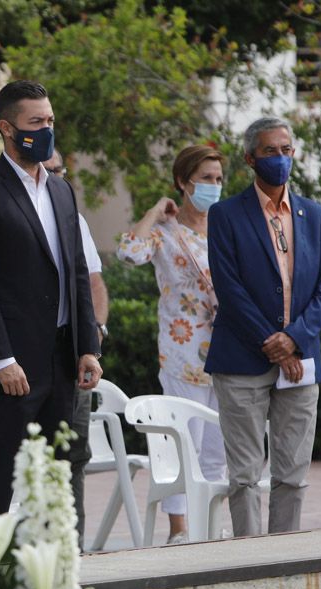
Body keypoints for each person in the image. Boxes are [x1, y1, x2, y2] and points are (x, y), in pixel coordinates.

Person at [0, 80, 101, 562]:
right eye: (36, 123)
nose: (46, 130)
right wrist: (1, 359)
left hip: (62, 360)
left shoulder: (61, 191)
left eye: (50, 121)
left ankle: (55, 576)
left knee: (58, 478)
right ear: (7, 127)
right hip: (11, 366)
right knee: (0, 481)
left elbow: (76, 271)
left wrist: (88, 346)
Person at [206, 117, 321, 537]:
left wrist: (295, 339)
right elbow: (229, 288)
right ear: (249, 158)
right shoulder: (225, 215)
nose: (279, 159)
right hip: (242, 359)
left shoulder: (315, 216)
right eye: (269, 151)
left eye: (285, 150)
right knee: (244, 477)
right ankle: (249, 565)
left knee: (293, 475)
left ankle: (285, 563)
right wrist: (273, 344)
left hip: (301, 361)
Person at [116, 145, 229, 543]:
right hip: (183, 354)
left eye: (218, 179)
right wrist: (154, 213)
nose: (213, 186)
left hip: (229, 353)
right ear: (183, 182)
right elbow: (129, 253)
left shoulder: (226, 227)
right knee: (186, 443)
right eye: (205, 178)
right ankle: (179, 530)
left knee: (219, 449)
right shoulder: (165, 233)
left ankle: (211, 526)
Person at [44, 150, 109, 546]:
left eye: (59, 171)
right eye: (47, 171)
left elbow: (92, 282)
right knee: (35, 460)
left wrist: (93, 337)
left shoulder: (73, 216)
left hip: (73, 357)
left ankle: (72, 549)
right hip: (29, 361)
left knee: (74, 457)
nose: (54, 177)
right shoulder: (13, 209)